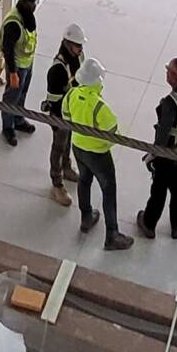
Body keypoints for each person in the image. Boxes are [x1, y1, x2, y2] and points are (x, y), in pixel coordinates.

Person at [64, 56, 133, 250]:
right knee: (108, 190)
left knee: (84, 181)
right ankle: (112, 234)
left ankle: (86, 217)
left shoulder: (71, 95)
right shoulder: (101, 108)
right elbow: (113, 135)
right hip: (98, 155)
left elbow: (66, 117)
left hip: (77, 147)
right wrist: (99, 144)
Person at [136, 56, 177, 238]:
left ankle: (149, 223)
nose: (166, 73)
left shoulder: (170, 104)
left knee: (159, 190)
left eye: (168, 72)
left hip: (168, 157)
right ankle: (176, 226)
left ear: (173, 77)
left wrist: (152, 156)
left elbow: (163, 138)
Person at [40, 24, 87, 207]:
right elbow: (54, 100)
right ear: (68, 44)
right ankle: (57, 184)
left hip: (72, 112)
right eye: (78, 46)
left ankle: (67, 167)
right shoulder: (58, 69)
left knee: (68, 143)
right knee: (59, 146)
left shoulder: (79, 56)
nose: (81, 49)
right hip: (60, 115)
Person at [0, 0, 40, 146]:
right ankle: (8, 127)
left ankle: (18, 119)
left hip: (26, 63)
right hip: (16, 67)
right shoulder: (14, 23)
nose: (35, 5)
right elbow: (8, 50)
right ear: (25, 2)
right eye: (33, 2)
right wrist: (13, 73)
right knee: (11, 96)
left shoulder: (27, 17)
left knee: (21, 94)